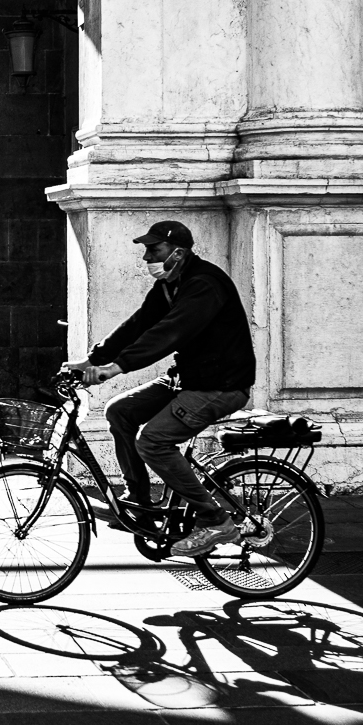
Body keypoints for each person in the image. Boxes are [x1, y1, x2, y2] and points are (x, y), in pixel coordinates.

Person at [78, 220, 258, 558]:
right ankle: (141, 503)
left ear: (178, 252)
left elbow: (169, 333)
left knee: (154, 441)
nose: (147, 257)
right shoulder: (170, 285)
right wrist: (91, 360)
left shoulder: (204, 284)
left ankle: (215, 519)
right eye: (146, 250)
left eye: (154, 249)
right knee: (120, 411)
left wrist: (116, 368)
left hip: (220, 385)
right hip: (189, 379)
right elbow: (139, 324)